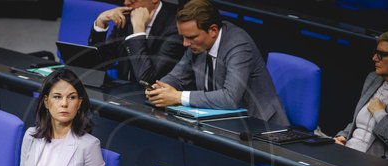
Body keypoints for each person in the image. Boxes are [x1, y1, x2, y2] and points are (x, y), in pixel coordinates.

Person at [145, 0, 290, 126]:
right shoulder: (196, 43)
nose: (185, 43)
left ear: (213, 30)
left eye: (190, 37)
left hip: (262, 126)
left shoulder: (238, 45)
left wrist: (178, 97)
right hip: (224, 121)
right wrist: (159, 90)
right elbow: (176, 77)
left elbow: (230, 98)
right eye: (182, 37)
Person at [11, 68, 106, 166]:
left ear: (79, 103)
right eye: (57, 97)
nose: (64, 103)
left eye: (71, 97)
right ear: (46, 102)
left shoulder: (89, 145)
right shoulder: (31, 136)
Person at [88, 0, 185, 84]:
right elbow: (101, 63)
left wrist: (138, 30)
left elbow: (147, 79)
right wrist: (100, 23)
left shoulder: (176, 25)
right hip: (123, 91)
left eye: (133, 0)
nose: (126, 3)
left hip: (153, 95)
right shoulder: (127, 17)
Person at [334, 29, 388, 160]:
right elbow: (357, 122)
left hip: (375, 164)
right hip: (348, 152)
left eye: (381, 54)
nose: (374, 58)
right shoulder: (373, 79)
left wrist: (380, 114)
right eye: (375, 53)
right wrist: (343, 136)